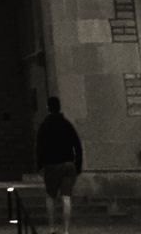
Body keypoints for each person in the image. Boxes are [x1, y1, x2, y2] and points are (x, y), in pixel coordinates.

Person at [36, 96, 82, 234]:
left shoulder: (45, 125)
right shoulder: (67, 124)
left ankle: (52, 228)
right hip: (68, 164)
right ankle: (66, 230)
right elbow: (77, 146)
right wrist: (78, 165)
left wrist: (39, 166)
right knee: (66, 197)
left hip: (52, 165)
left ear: (48, 108)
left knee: (50, 196)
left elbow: (39, 147)